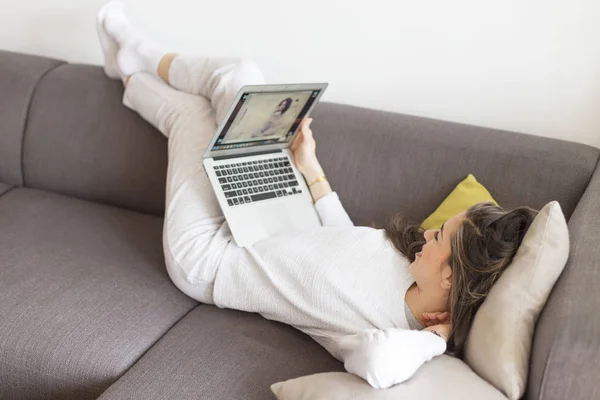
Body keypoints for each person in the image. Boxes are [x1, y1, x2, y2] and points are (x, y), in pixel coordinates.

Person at [96, 2, 538, 389]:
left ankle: (131, 66)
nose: (428, 235)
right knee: (241, 75)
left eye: (440, 237)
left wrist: (436, 338)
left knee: (192, 117)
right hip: (267, 213)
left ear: (450, 280)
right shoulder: (409, 266)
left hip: (211, 256)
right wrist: (310, 168)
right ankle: (136, 60)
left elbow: (377, 365)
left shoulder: (385, 333)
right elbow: (343, 244)